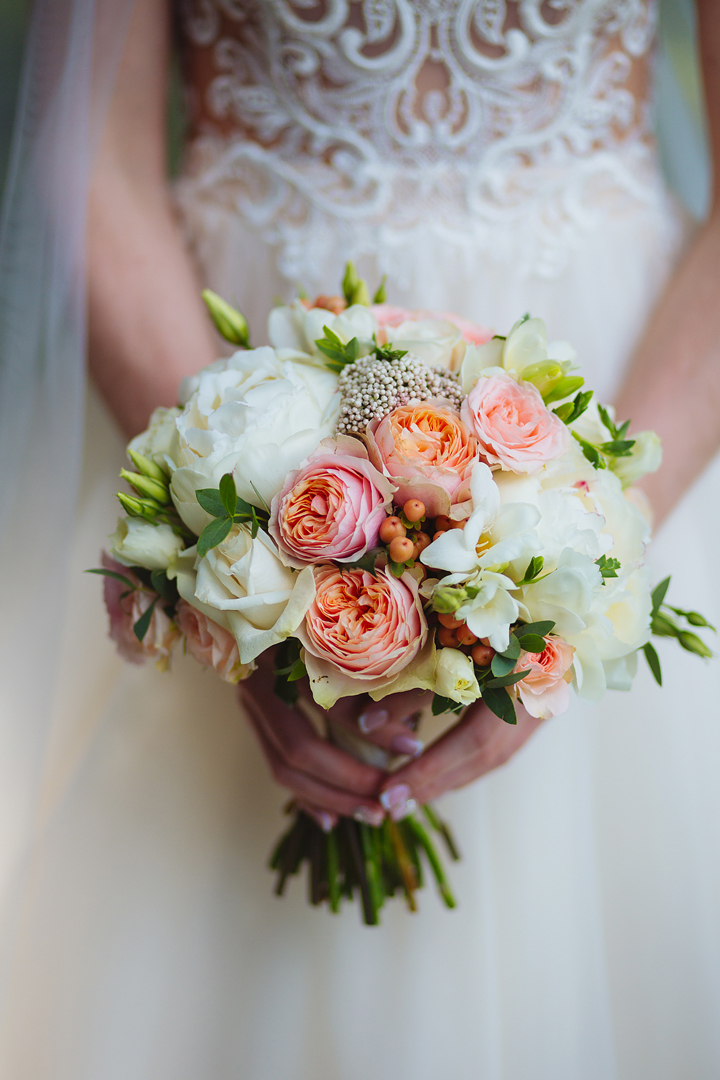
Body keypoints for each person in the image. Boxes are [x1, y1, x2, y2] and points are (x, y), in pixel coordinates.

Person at [1, 1, 720, 1077]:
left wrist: (578, 563)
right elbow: (88, 157)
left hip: (622, 402)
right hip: (223, 374)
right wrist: (228, 563)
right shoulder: (230, 492)